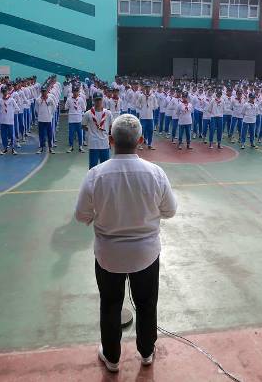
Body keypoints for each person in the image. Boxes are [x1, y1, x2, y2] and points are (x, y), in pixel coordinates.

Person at [74, 114, 177, 373]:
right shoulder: (155, 173)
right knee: (146, 303)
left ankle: (112, 358)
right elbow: (170, 211)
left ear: (110, 140)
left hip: (109, 255)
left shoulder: (96, 175)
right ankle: (146, 352)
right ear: (140, 140)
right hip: (145, 253)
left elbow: (81, 216)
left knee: (109, 304)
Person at [81, 91, 113, 168]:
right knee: (92, 167)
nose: (98, 102)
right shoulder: (88, 113)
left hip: (104, 143)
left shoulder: (108, 113)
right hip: (93, 144)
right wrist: (91, 130)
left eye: (99, 100)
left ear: (102, 100)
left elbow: (111, 126)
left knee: (105, 167)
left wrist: (106, 133)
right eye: (96, 100)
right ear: (93, 101)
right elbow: (83, 125)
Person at [65, 85, 86, 153]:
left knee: (80, 133)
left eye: (76, 91)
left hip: (79, 119)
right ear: (72, 92)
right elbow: (66, 107)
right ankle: (71, 146)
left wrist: (79, 111)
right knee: (71, 133)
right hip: (71, 119)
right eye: (74, 91)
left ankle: (80, 146)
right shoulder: (69, 99)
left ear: (78, 92)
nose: (75, 93)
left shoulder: (81, 99)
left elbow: (84, 108)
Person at [35, 86, 56, 154]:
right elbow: (36, 109)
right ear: (41, 92)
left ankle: (50, 148)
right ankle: (41, 147)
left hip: (48, 119)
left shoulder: (50, 99)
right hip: (41, 119)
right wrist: (40, 114)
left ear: (47, 91)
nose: (44, 93)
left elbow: (54, 107)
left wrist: (50, 114)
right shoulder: (38, 100)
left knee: (49, 134)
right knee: (41, 134)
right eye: (42, 91)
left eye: (45, 91)